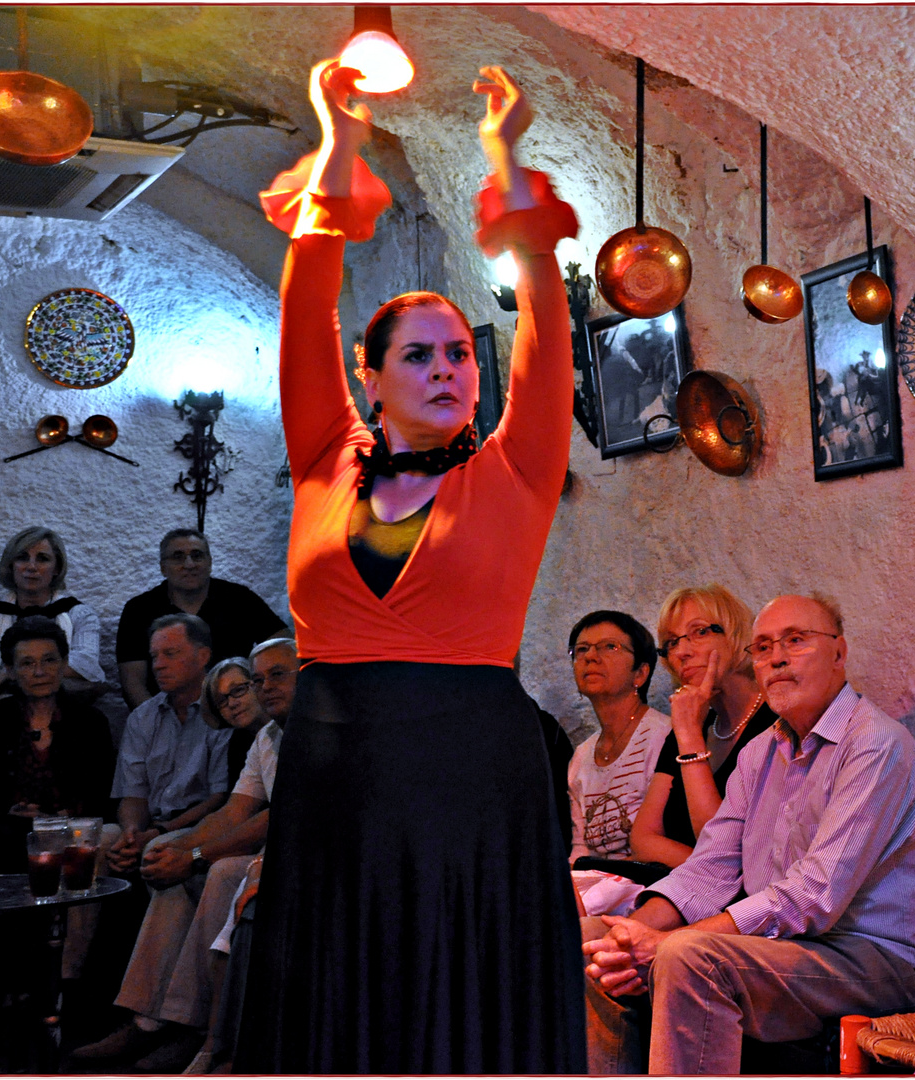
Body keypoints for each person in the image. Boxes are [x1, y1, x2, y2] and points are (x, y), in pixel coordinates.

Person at [234, 57, 584, 1073]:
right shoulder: (321, 456)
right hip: (333, 769)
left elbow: (546, 328)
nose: (447, 370)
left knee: (465, 1002)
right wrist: (337, 138)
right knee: (337, 1002)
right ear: (370, 378)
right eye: (420, 355)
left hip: (472, 774)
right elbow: (308, 295)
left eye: (459, 354)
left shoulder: (513, 469)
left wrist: (505, 157)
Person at [582, 594, 915, 1075]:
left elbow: (813, 894)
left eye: (795, 641)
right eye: (762, 647)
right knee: (595, 939)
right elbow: (710, 867)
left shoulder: (875, 746)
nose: (776, 658)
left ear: (838, 653)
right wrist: (641, 932)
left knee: (690, 956)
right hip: (793, 947)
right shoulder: (760, 753)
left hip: (879, 957)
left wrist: (669, 941)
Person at [70, 639, 298, 1073]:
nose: (256, 690)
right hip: (256, 847)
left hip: (297, 858)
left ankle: (197, 1033)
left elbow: (275, 815)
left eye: (275, 676)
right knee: (167, 858)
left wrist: (193, 854)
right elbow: (235, 809)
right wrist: (172, 849)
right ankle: (147, 1019)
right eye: (256, 680)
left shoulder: (309, 730)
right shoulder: (266, 738)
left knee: (222, 871)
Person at [629, 585, 773, 869]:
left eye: (700, 632)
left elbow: (722, 849)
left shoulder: (775, 722)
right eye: (671, 642)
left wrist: (690, 738)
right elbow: (642, 839)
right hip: (685, 893)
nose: (681, 651)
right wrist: (703, 870)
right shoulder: (692, 722)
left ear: (734, 634)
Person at [105, 615, 232, 876]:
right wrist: (131, 833)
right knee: (102, 840)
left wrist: (158, 831)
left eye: (171, 654)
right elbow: (133, 794)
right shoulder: (142, 717)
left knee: (157, 847)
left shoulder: (225, 708)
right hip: (152, 823)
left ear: (203, 655)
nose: (158, 666)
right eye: (154, 656)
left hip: (199, 823)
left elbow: (219, 799)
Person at [0, 616, 115, 821]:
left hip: (73, 836)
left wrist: (57, 818)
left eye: (49, 660)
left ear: (64, 663)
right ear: (10, 671)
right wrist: (6, 815)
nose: (39, 672)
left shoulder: (91, 723)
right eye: (27, 663)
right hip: (2, 835)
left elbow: (103, 797)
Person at [116, 529, 288, 709]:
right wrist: (156, 723)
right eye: (178, 557)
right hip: (169, 717)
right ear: (163, 568)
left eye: (197, 556)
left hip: (236, 714)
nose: (189, 564)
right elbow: (133, 684)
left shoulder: (239, 599)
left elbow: (283, 648)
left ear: (210, 562)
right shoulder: (139, 610)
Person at [0, 526, 105, 709]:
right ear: (11, 566)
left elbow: (88, 667)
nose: (31, 567)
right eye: (22, 557)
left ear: (57, 568)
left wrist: (4, 676)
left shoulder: (79, 615)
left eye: (42, 559)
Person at [567, 611, 670, 863]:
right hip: (599, 891)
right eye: (581, 649)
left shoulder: (664, 738)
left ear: (640, 674)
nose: (590, 657)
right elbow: (580, 851)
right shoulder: (581, 756)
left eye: (609, 647)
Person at [199, 657, 270, 790]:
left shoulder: (289, 728)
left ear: (257, 683)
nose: (232, 704)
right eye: (221, 701)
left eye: (238, 690)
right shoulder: (238, 742)